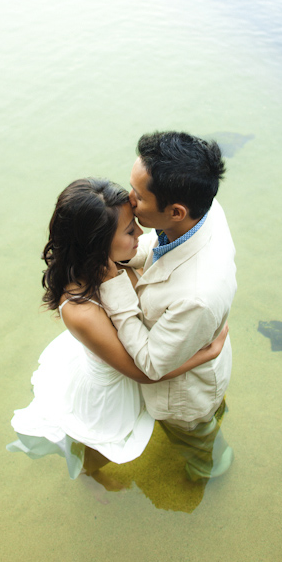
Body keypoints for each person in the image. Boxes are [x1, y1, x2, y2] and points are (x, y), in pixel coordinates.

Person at [7, 178, 228, 482]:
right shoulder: (81, 310)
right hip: (110, 387)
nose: (141, 231)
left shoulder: (115, 261)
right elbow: (138, 372)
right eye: (129, 230)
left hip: (128, 358)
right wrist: (207, 354)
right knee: (101, 442)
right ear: (97, 245)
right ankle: (90, 477)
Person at [99, 131, 237, 481]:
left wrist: (113, 283)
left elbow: (150, 364)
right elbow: (159, 245)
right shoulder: (205, 209)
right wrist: (123, 251)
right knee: (207, 416)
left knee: (192, 436)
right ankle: (212, 421)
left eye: (139, 197)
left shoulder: (197, 296)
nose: (128, 202)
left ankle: (211, 468)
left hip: (184, 395)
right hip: (200, 352)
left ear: (176, 211)